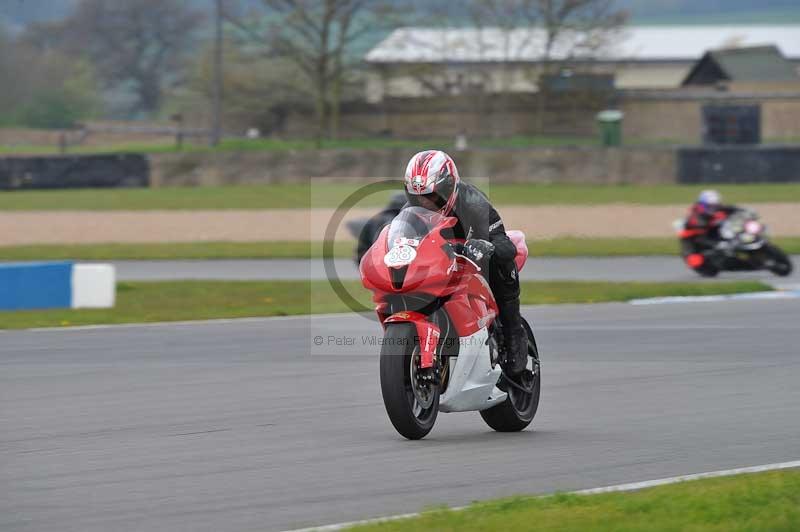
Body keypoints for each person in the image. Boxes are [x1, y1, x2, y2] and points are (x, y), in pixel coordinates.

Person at [402, 150, 528, 376]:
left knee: (501, 259)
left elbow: (505, 244)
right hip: (441, 267)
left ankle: (514, 331)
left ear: (449, 186)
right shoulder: (410, 212)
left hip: (475, 265)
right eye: (417, 197)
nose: (424, 202)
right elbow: (401, 239)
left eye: (431, 196)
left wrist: (484, 246)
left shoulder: (473, 202)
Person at [683, 190, 741, 254]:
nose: (713, 208)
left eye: (715, 206)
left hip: (717, 237)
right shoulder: (696, 217)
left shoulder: (717, 209)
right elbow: (700, 239)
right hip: (699, 247)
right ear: (702, 205)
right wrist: (717, 244)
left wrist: (740, 210)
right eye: (710, 206)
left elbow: (727, 208)